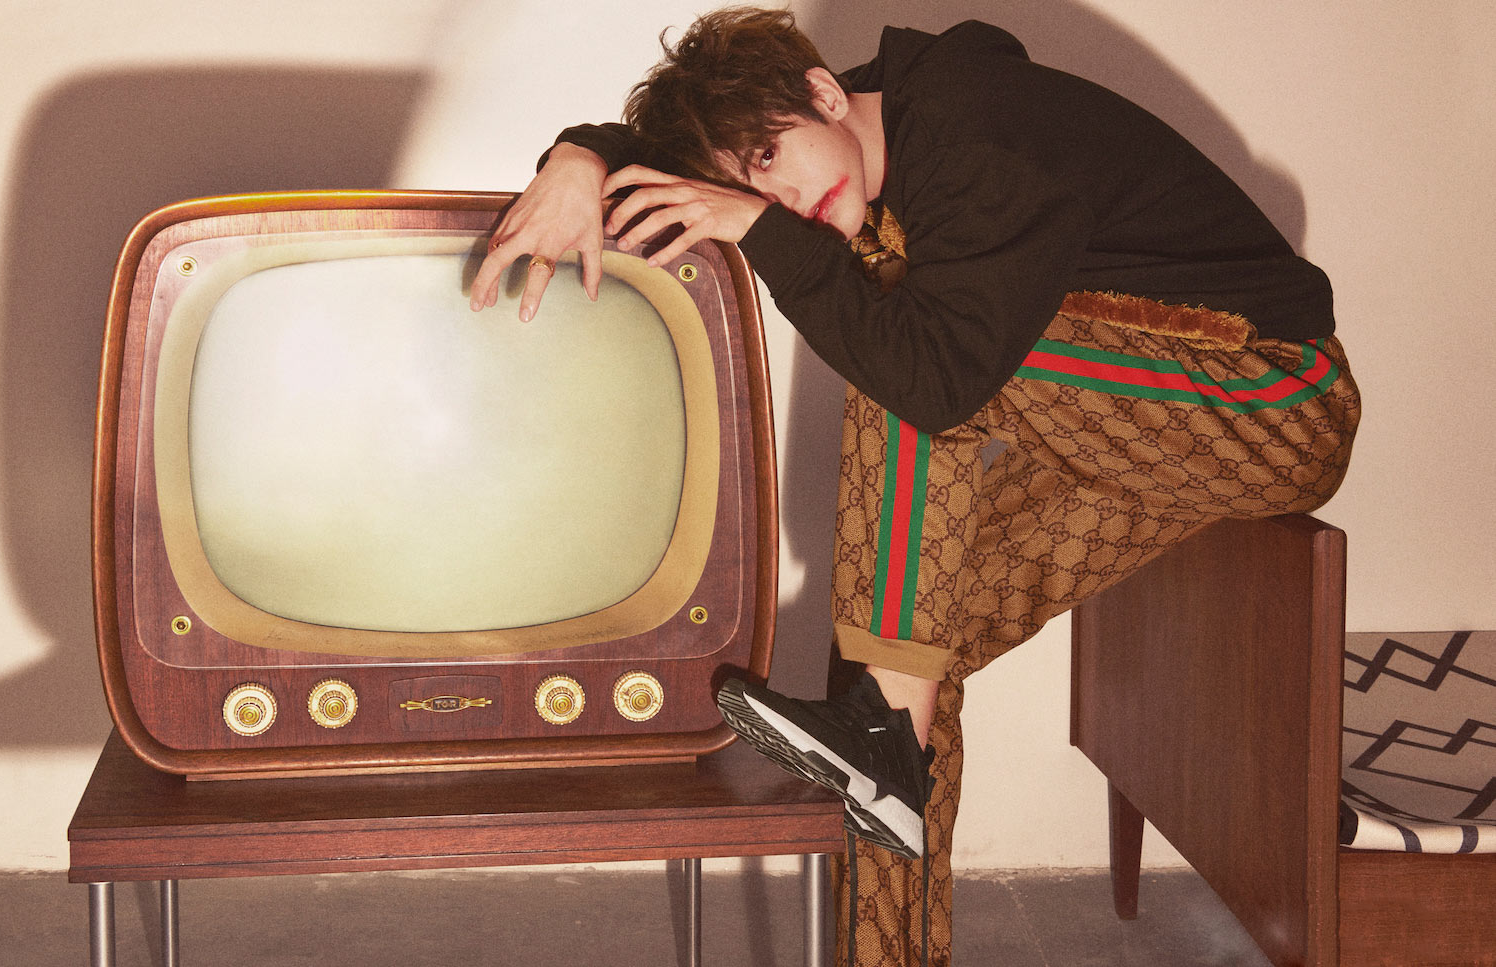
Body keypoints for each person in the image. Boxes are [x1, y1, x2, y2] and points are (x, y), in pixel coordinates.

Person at [469, 9, 1360, 966]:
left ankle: (882, 730)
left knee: (903, 353)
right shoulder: (861, 129)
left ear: (824, 94)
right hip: (1129, 446)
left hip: (1275, 404)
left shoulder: (980, 132)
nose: (779, 196)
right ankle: (888, 900)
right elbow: (666, 164)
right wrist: (579, 159)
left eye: (771, 158)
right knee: (904, 656)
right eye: (750, 187)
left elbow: (935, 380)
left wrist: (762, 230)